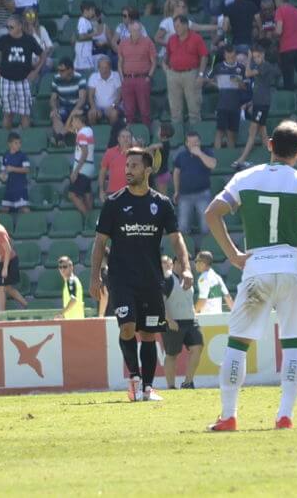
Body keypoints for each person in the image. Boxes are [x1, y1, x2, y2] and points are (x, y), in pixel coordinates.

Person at [205, 119, 297, 431]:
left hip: (257, 265)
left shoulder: (246, 177)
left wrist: (233, 253)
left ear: (269, 145)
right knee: (293, 344)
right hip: (293, 265)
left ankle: (228, 416)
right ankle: (285, 415)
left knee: (237, 344)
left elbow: (212, 212)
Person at [89, 147, 194, 402]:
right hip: (121, 278)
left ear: (147, 170)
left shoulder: (161, 203)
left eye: (134, 166)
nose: (128, 170)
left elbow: (176, 238)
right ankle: (134, 381)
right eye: (127, 166)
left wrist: (186, 266)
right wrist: (94, 277)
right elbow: (100, 243)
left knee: (148, 333)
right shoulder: (114, 203)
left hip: (150, 278)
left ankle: (148, 388)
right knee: (127, 328)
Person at [0, 14, 45, 129]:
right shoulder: (3, 39)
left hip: (23, 80)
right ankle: (7, 142)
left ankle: (25, 143)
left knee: (25, 114)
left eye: (11, 27)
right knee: (8, 114)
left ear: (20, 26)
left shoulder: (29, 40)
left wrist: (36, 71)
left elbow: (43, 55)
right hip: (6, 80)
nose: (9, 30)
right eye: (7, 27)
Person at [161, 255, 203, 389]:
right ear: (175, 264)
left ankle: (188, 382)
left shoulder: (189, 278)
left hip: (190, 321)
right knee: (171, 354)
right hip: (174, 322)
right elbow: (160, 301)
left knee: (198, 346)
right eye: (183, 262)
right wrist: (169, 319)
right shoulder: (168, 279)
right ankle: (171, 386)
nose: (186, 265)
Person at [235, 45, 279, 167]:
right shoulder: (260, 66)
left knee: (252, 131)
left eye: (257, 56)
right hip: (259, 103)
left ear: (263, 55)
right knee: (264, 135)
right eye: (254, 57)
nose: (256, 59)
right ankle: (276, 159)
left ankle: (242, 158)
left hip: (262, 104)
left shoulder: (265, 66)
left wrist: (248, 58)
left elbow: (247, 73)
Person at [164, 15, 208, 125]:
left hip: (191, 74)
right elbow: (167, 57)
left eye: (178, 26)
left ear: (186, 25)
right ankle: (177, 139)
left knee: (194, 109)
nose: (176, 28)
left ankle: (195, 139)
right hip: (174, 74)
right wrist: (168, 72)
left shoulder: (196, 38)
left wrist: (201, 75)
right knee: (175, 111)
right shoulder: (171, 39)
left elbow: (204, 56)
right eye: (174, 26)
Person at [173, 131, 217, 235]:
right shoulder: (181, 155)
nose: (194, 144)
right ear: (186, 143)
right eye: (191, 142)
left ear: (200, 142)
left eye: (196, 142)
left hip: (203, 194)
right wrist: (176, 191)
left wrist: (200, 154)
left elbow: (213, 165)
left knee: (206, 227)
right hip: (184, 195)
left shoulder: (207, 152)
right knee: (182, 226)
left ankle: (206, 249)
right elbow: (176, 173)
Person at [0, 210, 27, 312]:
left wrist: (5, 268)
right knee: (7, 288)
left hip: (8, 261)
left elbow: (8, 249)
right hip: (7, 261)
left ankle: (1, 313)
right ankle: (26, 304)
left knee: (0, 287)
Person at [206, 44, 245, 149]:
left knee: (231, 134)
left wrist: (238, 82)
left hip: (235, 105)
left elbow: (245, 87)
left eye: (232, 56)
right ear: (224, 55)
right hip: (222, 105)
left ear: (235, 55)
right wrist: (219, 85)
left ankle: (230, 158)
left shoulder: (241, 68)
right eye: (228, 57)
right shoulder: (218, 67)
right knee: (219, 132)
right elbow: (208, 79)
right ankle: (217, 158)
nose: (230, 59)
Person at [117, 21, 156, 126]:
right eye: (134, 30)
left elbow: (154, 62)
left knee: (144, 110)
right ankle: (129, 135)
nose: (137, 32)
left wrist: (149, 77)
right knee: (128, 111)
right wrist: (122, 78)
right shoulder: (123, 43)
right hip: (127, 79)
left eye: (138, 30)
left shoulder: (148, 42)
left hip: (142, 78)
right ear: (129, 31)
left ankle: (147, 132)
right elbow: (120, 62)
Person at [274, 0, 297, 91]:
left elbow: (279, 31)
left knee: (288, 79)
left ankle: (289, 103)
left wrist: (272, 33)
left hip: (287, 48)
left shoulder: (280, 10)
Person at [50, 57, 86, 144]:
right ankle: (61, 139)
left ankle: (59, 137)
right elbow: (53, 98)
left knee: (76, 117)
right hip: (64, 107)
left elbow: (82, 99)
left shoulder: (80, 78)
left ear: (70, 70)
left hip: (77, 107)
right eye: (58, 70)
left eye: (62, 70)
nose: (59, 72)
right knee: (54, 115)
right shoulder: (56, 78)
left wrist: (73, 111)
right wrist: (54, 108)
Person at [67, 112, 95, 216]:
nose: (72, 123)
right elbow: (67, 128)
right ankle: (91, 219)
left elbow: (84, 153)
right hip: (90, 167)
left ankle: (88, 217)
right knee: (87, 194)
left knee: (72, 194)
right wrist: (72, 115)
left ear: (79, 121)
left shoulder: (82, 134)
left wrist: (75, 171)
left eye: (74, 121)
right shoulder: (88, 131)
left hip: (83, 168)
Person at [99, 128, 133, 201]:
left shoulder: (136, 153)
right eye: (123, 137)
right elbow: (102, 173)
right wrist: (101, 191)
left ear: (131, 139)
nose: (125, 139)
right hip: (113, 192)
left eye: (128, 137)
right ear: (118, 139)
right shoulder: (110, 152)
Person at [0, 132, 30, 213]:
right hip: (9, 187)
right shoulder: (5, 155)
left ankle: (33, 223)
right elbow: (3, 170)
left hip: (20, 187)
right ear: (9, 144)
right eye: (16, 143)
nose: (18, 145)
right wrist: (2, 175)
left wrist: (13, 169)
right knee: (5, 209)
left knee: (23, 208)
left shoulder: (23, 156)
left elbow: (27, 169)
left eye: (20, 143)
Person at [87, 55, 121, 126]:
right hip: (97, 107)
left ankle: (113, 135)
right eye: (102, 68)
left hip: (112, 107)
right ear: (98, 68)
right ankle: (94, 135)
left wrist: (112, 106)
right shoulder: (93, 77)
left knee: (114, 114)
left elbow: (119, 95)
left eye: (106, 67)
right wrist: (93, 108)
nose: (104, 70)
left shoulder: (116, 76)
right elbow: (90, 96)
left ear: (110, 67)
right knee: (91, 113)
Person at [22, 7, 52, 76]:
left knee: (49, 62)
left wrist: (42, 56)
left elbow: (49, 46)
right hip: (28, 58)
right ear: (24, 17)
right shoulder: (21, 31)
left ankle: (41, 83)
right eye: (28, 15)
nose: (30, 17)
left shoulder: (42, 29)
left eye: (32, 15)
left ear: (35, 16)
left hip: (41, 57)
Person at [74, 0, 98, 71]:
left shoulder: (87, 21)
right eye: (92, 10)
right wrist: (94, 34)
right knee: (88, 72)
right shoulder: (82, 21)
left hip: (86, 52)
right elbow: (81, 36)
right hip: (83, 53)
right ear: (85, 10)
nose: (93, 12)